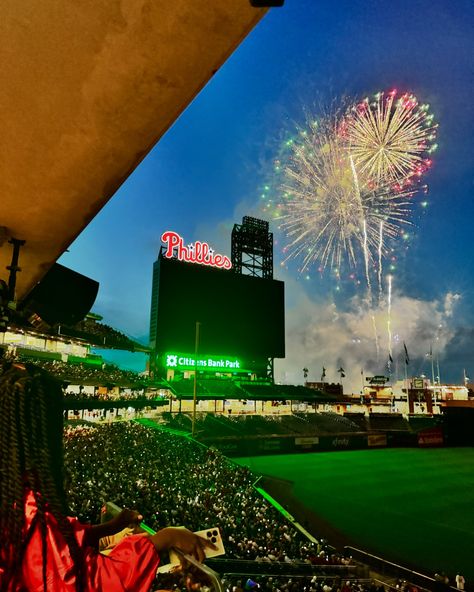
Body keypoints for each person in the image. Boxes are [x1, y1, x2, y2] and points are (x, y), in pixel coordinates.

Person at [0, 362, 213, 592]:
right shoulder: (27, 510)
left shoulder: (13, 493)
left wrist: (110, 527)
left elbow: (59, 545)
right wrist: (165, 538)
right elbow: (93, 581)